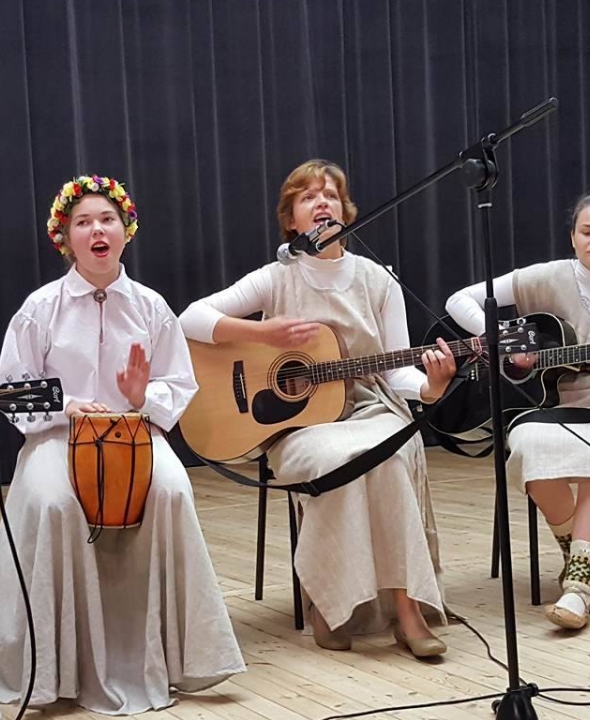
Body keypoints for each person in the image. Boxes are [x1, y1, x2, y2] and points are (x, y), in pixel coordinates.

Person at [0, 175, 245, 714]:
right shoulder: (40, 307)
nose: (97, 230)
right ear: (66, 238)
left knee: (172, 491)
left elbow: (180, 386)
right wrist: (66, 406)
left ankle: (170, 658)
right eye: (83, 222)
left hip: (137, 433)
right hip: (58, 436)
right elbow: (11, 392)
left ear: (126, 230)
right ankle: (54, 668)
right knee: (54, 501)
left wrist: (141, 396)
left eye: (107, 219)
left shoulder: (152, 307)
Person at [180, 159, 458, 658]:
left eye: (330, 194)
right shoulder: (275, 278)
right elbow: (189, 318)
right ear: (291, 220)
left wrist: (432, 387)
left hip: (372, 408)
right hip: (298, 425)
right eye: (308, 196)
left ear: (346, 212)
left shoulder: (379, 281)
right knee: (337, 461)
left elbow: (399, 372)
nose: (322, 202)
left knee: (388, 456)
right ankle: (331, 605)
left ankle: (407, 609)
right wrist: (262, 333)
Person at [444, 189, 590, 631]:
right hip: (544, 402)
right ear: (573, 236)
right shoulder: (545, 277)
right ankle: (579, 553)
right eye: (587, 231)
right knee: (528, 443)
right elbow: (459, 300)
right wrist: (507, 339)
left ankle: (579, 589)